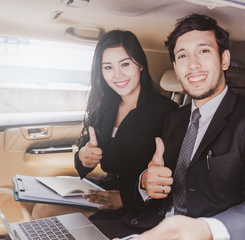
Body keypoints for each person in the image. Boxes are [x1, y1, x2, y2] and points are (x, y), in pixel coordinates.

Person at [101, 13, 245, 240]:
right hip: (144, 226)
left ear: (224, 60)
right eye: (182, 56)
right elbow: (156, 180)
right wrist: (145, 183)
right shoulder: (174, 118)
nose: (193, 65)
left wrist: (205, 230)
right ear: (175, 66)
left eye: (204, 51)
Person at [28, 30, 178, 221]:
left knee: (45, 214)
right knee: (42, 204)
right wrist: (84, 156)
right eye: (108, 67)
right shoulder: (104, 105)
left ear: (139, 64)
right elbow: (84, 154)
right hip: (105, 186)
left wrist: (123, 198)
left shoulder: (166, 111)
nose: (117, 75)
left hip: (139, 201)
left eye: (125, 64)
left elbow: (169, 176)